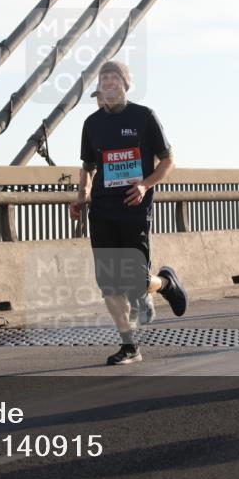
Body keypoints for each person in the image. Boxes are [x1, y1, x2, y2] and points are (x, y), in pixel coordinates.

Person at [70, 60, 188, 365]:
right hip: (102, 212)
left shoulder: (144, 117)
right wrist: (81, 196)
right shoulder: (92, 124)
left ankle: (165, 283)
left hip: (134, 209)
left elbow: (168, 160)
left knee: (135, 281)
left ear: (125, 85)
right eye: (103, 79)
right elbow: (87, 167)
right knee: (109, 283)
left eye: (114, 79)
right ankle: (130, 345)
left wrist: (146, 186)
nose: (108, 84)